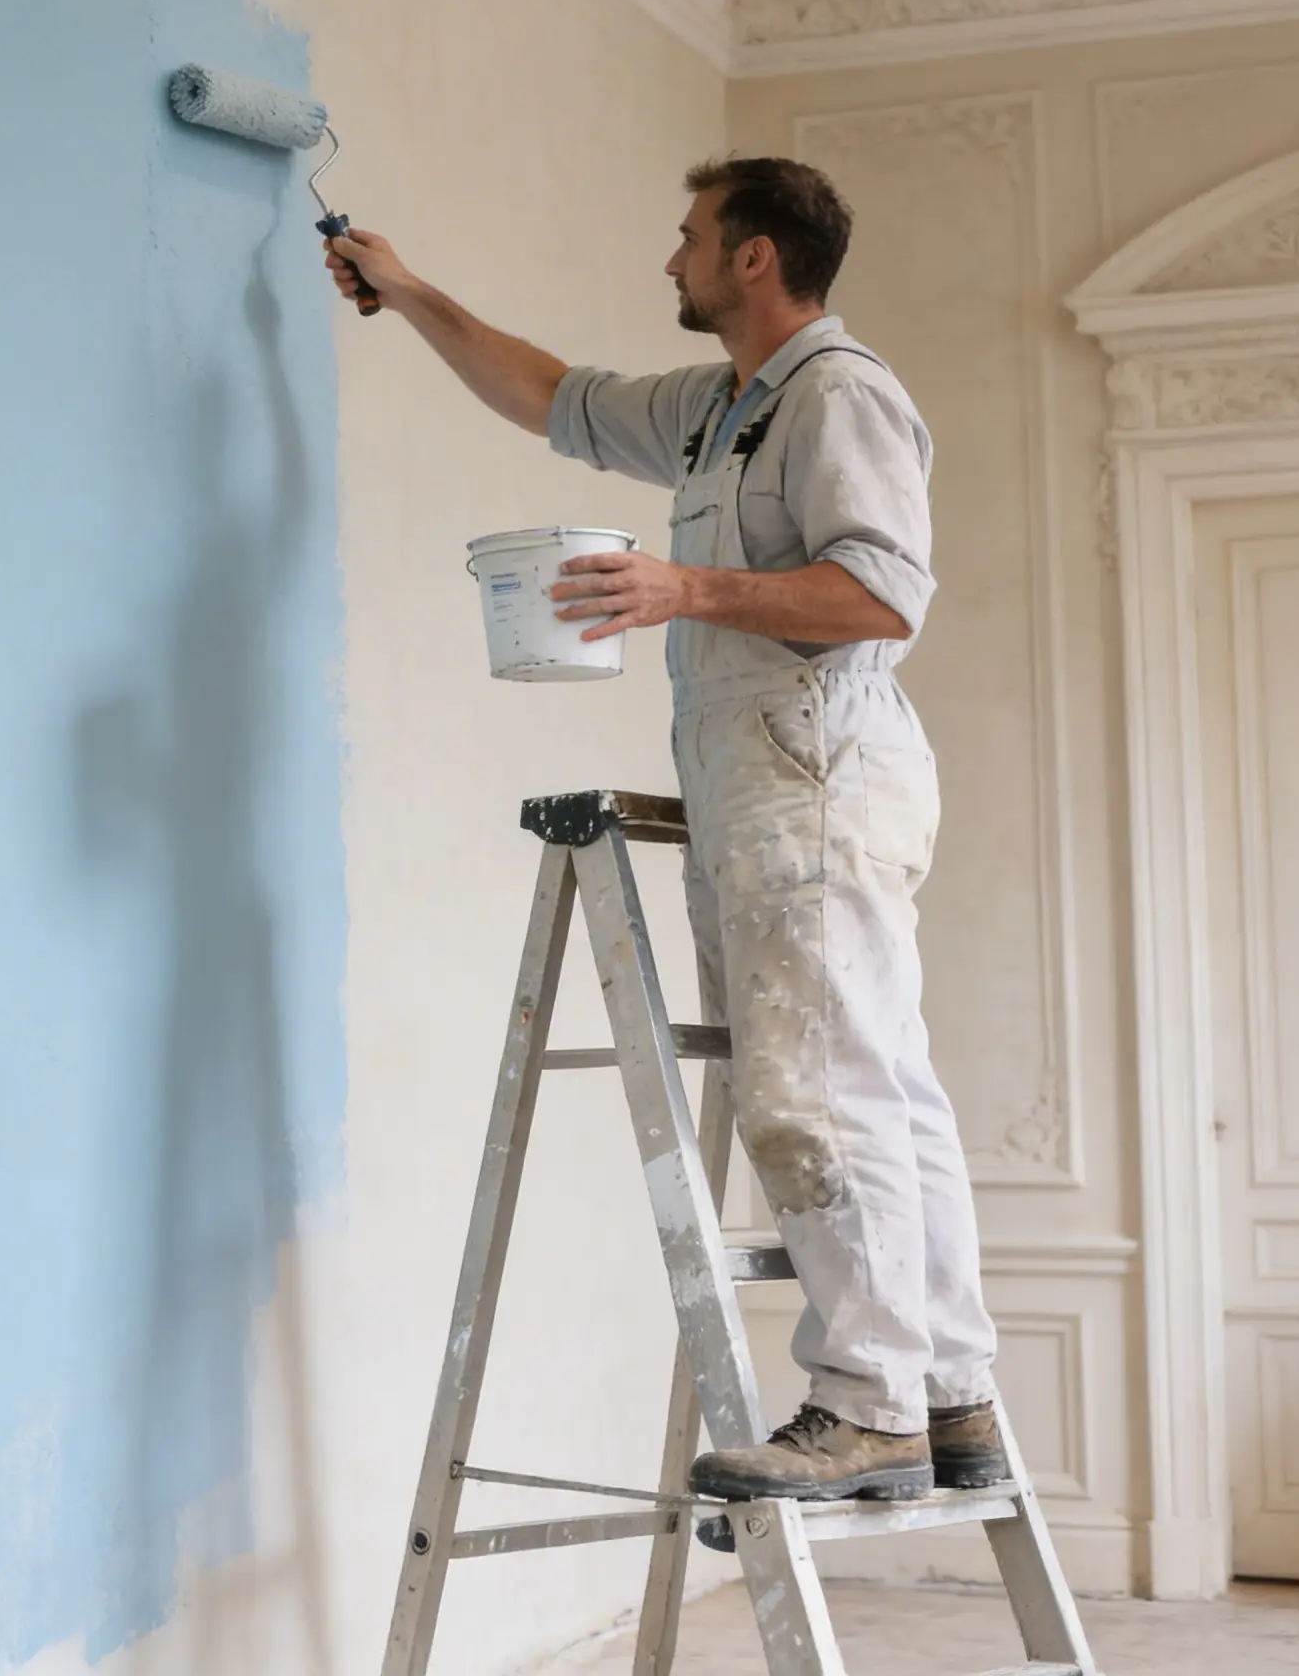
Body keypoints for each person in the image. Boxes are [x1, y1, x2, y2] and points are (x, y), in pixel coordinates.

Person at [322, 156, 1005, 1504]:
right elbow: (553, 397)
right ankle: (949, 1397)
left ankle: (868, 1406)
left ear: (755, 258)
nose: (672, 258)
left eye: (691, 237)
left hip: (816, 778)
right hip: (765, 781)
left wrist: (681, 585)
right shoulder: (718, 409)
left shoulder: (839, 395)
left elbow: (882, 599)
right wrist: (405, 293)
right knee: (881, 1086)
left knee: (815, 1086)